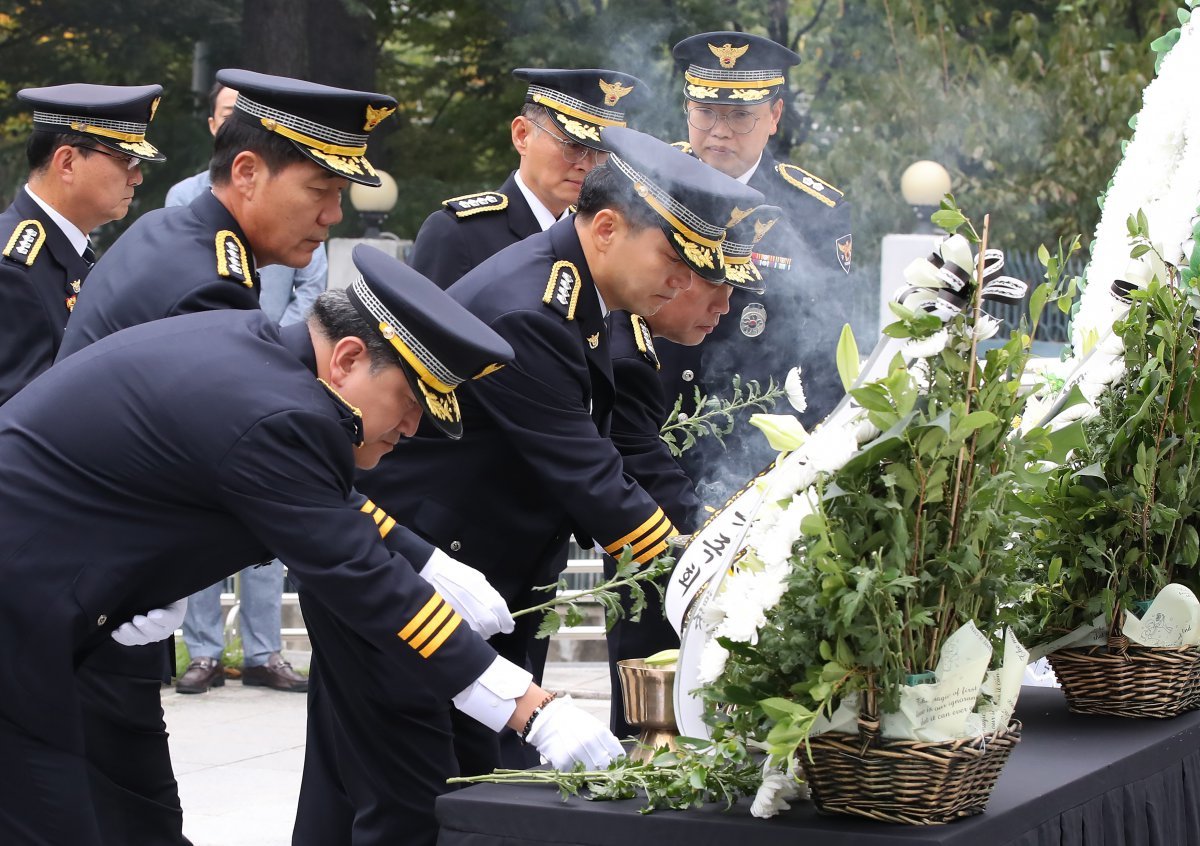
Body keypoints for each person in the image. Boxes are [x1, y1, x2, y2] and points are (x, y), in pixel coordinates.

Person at [0, 242, 620, 845]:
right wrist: (532, 711)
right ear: (348, 358)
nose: (409, 429)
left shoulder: (267, 366)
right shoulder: (280, 417)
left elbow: (325, 503)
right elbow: (363, 580)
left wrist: (425, 559)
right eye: (409, 402)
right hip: (23, 613)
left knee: (114, 817)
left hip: (47, 602)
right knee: (53, 823)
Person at [350, 126, 763, 790]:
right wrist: (712, 577)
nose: (686, 282)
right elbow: (590, 476)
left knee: (458, 789)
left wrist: (721, 533)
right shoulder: (534, 309)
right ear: (606, 230)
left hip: (491, 573)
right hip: (426, 572)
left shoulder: (594, 298)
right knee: (411, 796)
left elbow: (629, 443)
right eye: (675, 260)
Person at [164, 79, 328, 695]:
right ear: (213, 127)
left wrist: (273, 340)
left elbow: (313, 286)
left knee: (267, 530)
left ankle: (263, 651)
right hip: (206, 371)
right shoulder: (183, 198)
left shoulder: (294, 201)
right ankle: (203, 650)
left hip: (273, 360)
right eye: (227, 112)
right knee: (204, 519)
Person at [603, 204, 782, 738]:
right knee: (649, 733)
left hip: (671, 532)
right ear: (673, 279)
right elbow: (635, 462)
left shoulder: (628, 331)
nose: (728, 308)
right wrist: (729, 541)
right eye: (714, 289)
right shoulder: (625, 352)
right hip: (652, 542)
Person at [659, 31, 855, 505]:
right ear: (687, 109)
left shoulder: (815, 211)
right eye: (705, 112)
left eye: (741, 116)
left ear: (774, 116)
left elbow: (828, 358)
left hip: (754, 462)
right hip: (645, 449)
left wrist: (814, 469)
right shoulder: (643, 184)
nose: (719, 131)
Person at [0, 82, 164, 406]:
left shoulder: (64, 248)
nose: (137, 177)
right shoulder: (14, 271)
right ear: (68, 163)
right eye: (126, 160)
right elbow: (17, 418)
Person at [407, 67, 645, 289]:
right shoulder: (458, 234)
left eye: (600, 152)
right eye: (572, 146)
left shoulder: (600, 239)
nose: (587, 165)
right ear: (522, 135)